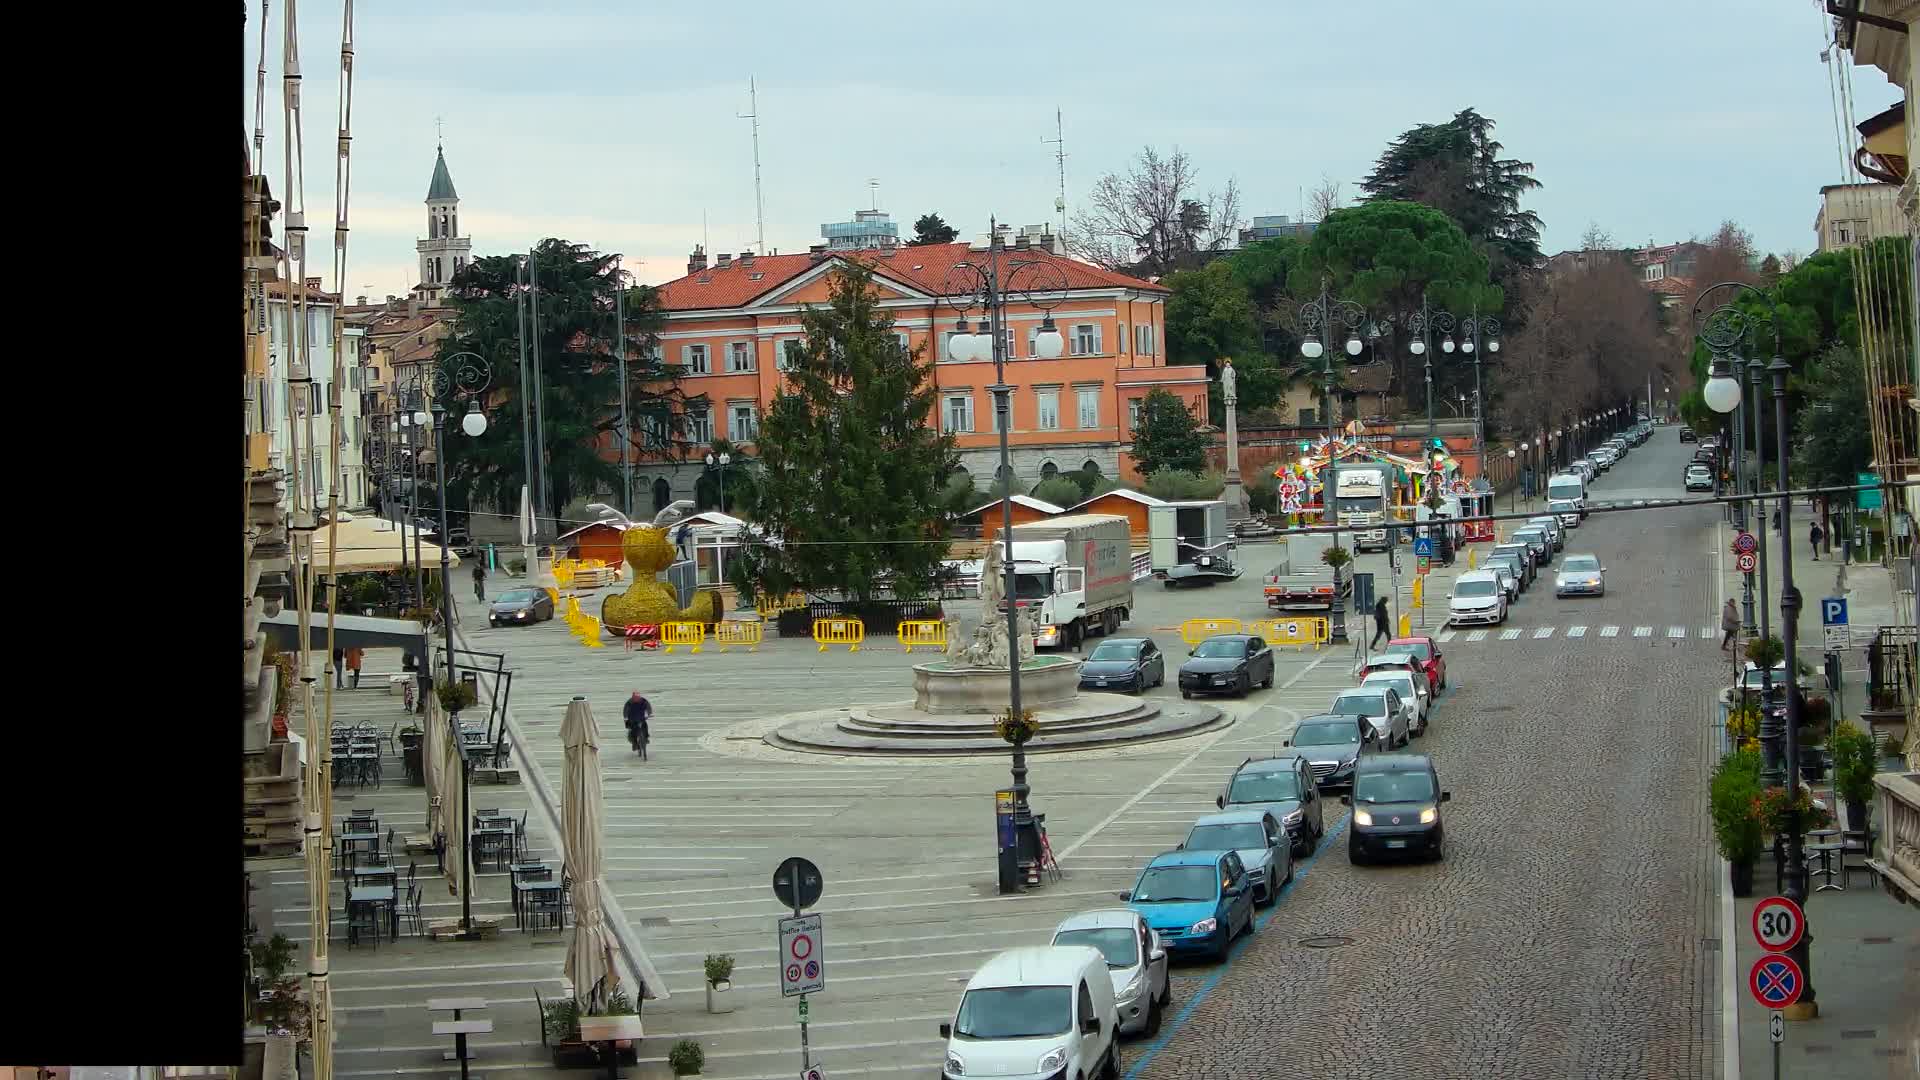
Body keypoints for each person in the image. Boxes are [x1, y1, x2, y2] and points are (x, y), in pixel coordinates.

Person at [623, 690, 652, 760]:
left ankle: (646, 737)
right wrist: (626, 717)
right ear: (633, 697)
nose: (636, 699)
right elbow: (625, 710)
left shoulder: (643, 701)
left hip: (641, 718)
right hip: (632, 719)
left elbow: (648, 707)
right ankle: (634, 743)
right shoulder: (629, 703)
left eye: (637, 698)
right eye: (635, 698)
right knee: (633, 730)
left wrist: (649, 713)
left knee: (645, 726)